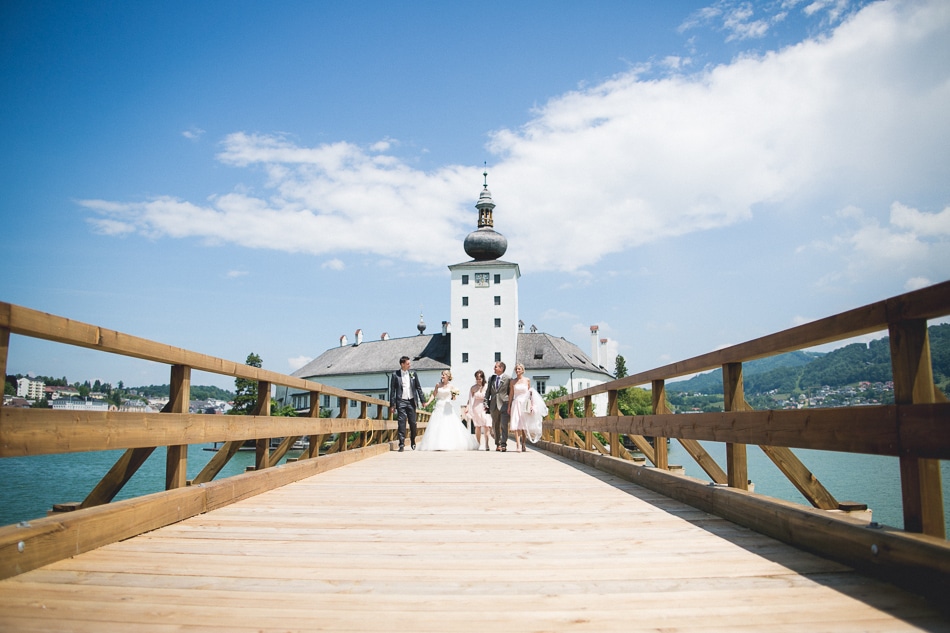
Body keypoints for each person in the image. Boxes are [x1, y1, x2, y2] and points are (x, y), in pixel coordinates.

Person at [416, 370, 478, 451]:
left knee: (448, 424)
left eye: (444, 375)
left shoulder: (451, 387)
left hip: (447, 407)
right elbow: (434, 394)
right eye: (442, 375)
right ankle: (436, 444)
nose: (442, 376)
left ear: (448, 376)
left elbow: (454, 399)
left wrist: (454, 395)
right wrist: (427, 403)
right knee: (437, 425)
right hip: (439, 406)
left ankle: (447, 443)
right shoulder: (438, 385)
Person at [508, 363, 547, 452]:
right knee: (517, 424)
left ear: (522, 370)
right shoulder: (512, 381)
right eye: (516, 369)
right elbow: (511, 394)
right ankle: (517, 445)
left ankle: (524, 444)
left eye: (519, 369)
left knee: (524, 425)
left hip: (525, 404)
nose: (517, 371)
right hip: (516, 403)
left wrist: (532, 405)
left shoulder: (527, 380)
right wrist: (509, 406)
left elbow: (530, 393)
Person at [389, 356, 425, 452]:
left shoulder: (413, 373)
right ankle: (401, 444)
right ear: (402, 364)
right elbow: (392, 391)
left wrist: (423, 400)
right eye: (408, 363)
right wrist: (392, 405)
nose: (410, 365)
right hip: (401, 401)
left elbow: (418, 388)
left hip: (411, 401)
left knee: (413, 423)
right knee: (401, 423)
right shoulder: (395, 375)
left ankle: (413, 439)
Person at [484, 361, 511, 451]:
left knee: (504, 425)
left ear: (501, 368)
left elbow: (510, 392)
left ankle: (503, 444)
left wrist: (510, 404)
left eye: (496, 367)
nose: (494, 368)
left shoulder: (508, 378)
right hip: (493, 405)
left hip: (504, 404)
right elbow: (488, 392)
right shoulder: (491, 378)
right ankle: (498, 444)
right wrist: (485, 402)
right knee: (495, 425)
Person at [464, 369, 493, 451]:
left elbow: (491, 396)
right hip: (476, 407)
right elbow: (469, 399)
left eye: (480, 378)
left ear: (483, 378)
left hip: (485, 407)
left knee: (487, 425)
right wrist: (467, 407)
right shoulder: (473, 388)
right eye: (477, 379)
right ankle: (478, 443)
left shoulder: (487, 386)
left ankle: (487, 444)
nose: (478, 380)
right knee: (477, 426)